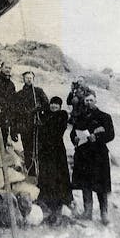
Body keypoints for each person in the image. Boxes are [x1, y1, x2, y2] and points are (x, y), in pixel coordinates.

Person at [70, 91, 115, 225]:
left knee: (101, 185)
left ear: (95, 100)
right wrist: (75, 138)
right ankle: (87, 212)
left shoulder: (105, 117)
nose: (88, 103)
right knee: (85, 184)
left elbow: (111, 135)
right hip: (83, 156)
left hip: (99, 156)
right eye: (86, 101)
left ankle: (104, 213)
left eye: (91, 100)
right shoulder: (80, 117)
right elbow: (73, 133)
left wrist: (98, 137)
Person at [38, 96, 73, 225]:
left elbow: (53, 128)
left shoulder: (62, 115)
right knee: (47, 173)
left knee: (58, 174)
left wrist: (44, 117)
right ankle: (47, 199)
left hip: (56, 150)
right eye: (52, 104)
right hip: (46, 150)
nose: (53, 107)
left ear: (60, 106)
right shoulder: (47, 114)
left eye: (56, 105)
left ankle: (60, 200)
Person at [11, 71, 49, 176]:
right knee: (27, 150)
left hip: (36, 126)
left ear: (33, 79)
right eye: (27, 78)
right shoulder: (19, 94)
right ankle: (31, 172)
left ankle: (40, 173)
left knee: (38, 149)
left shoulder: (38, 92)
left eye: (31, 78)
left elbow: (47, 106)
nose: (29, 79)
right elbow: (14, 113)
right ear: (23, 79)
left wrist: (39, 109)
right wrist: (13, 130)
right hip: (24, 126)